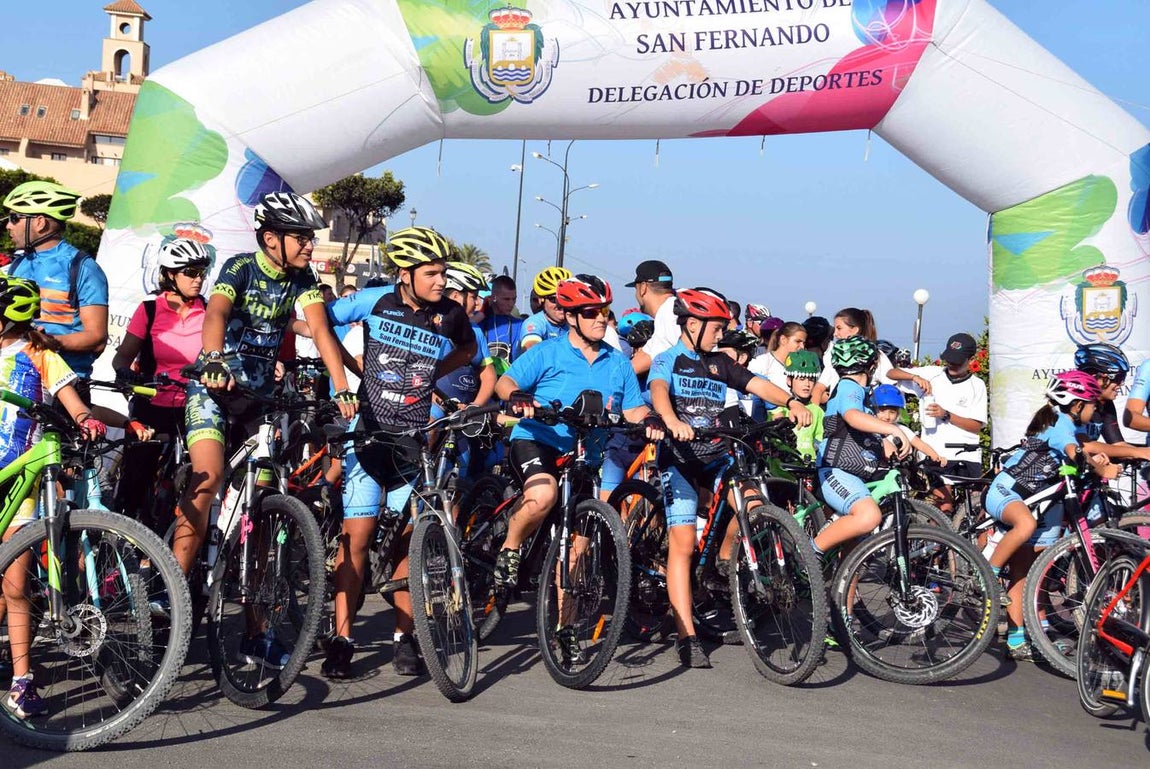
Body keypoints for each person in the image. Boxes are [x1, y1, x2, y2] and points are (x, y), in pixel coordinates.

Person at [179, 192, 358, 669]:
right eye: (301, 237)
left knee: (261, 515)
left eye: (310, 237)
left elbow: (321, 333)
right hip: (215, 391)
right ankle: (170, 595)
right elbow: (215, 313)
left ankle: (257, 632)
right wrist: (214, 359)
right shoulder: (240, 267)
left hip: (261, 403)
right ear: (271, 238)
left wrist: (342, 389)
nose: (308, 246)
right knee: (209, 480)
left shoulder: (303, 278)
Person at [321, 226, 475, 680]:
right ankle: (343, 639)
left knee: (410, 543)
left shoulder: (449, 314)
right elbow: (319, 320)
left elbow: (467, 349)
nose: (441, 281)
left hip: (414, 443)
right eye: (432, 273)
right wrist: (350, 370)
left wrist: (435, 375)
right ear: (404, 274)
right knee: (357, 543)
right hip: (368, 436)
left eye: (444, 272)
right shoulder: (374, 300)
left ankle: (404, 638)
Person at [494, 274, 661, 664]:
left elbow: (633, 407)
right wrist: (518, 396)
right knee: (543, 494)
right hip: (538, 440)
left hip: (585, 456)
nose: (601, 318)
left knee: (577, 553)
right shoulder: (548, 352)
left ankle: (564, 630)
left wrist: (649, 420)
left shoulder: (618, 361)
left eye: (605, 311)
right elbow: (506, 382)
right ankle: (510, 548)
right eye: (591, 312)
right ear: (571, 316)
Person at [649, 288, 810, 669]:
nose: (721, 334)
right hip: (681, 459)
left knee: (752, 506)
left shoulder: (721, 363)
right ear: (692, 324)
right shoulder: (668, 360)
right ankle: (686, 634)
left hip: (718, 455)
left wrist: (791, 401)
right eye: (716, 327)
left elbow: (755, 384)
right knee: (684, 544)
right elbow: (658, 390)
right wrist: (671, 421)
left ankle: (727, 564)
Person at [0, 274, 109, 719]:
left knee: (16, 584)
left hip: (20, 480)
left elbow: (70, 396)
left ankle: (23, 681)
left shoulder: (37, 352)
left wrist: (85, 418)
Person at [982, 371, 1103, 660]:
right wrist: (1095, 464)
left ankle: (1015, 638)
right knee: (1025, 525)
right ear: (1076, 405)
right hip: (1007, 491)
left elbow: (1086, 446)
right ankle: (986, 575)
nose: (1095, 408)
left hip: (1037, 500)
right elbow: (1072, 449)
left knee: (1024, 575)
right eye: (1092, 403)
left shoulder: (1066, 421)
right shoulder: (1059, 422)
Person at [111, 237, 211, 525]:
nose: (199, 280)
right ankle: (115, 539)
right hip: (151, 403)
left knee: (198, 479)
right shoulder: (150, 310)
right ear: (170, 274)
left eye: (202, 273)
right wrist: (124, 373)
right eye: (191, 273)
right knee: (136, 478)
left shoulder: (208, 312)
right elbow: (122, 357)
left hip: (192, 406)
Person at [811, 337, 912, 560]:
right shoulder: (850, 386)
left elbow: (859, 425)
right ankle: (810, 552)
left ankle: (846, 595)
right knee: (868, 516)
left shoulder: (861, 396)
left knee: (855, 551)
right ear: (872, 366)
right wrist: (894, 430)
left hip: (853, 473)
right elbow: (852, 416)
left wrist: (882, 441)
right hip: (836, 470)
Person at [3, 181, 108, 392]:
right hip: (16, 378)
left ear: (40, 222)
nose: (8, 226)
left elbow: (97, 338)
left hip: (64, 386)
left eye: (14, 218)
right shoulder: (17, 264)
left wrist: (50, 342)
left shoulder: (82, 267)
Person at [886, 332, 987, 514]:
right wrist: (914, 378)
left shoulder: (977, 385)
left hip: (967, 454)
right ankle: (937, 542)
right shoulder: (932, 374)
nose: (952, 365)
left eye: (958, 361)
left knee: (979, 509)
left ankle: (976, 542)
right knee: (943, 506)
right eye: (950, 359)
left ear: (971, 360)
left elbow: (976, 426)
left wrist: (946, 414)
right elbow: (890, 373)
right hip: (936, 454)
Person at [811, 307, 914, 405]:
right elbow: (819, 388)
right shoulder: (836, 355)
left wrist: (913, 377)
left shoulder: (875, 354)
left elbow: (890, 376)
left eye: (839, 328)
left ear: (855, 330)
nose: (835, 334)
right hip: (837, 417)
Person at [626, 259, 678, 376]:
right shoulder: (669, 310)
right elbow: (647, 356)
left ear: (643, 288)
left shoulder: (670, 314)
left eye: (636, 288)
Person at [870, 384, 944, 465]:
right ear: (873, 409)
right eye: (882, 411)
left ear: (898, 413)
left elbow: (921, 445)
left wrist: (937, 459)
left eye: (892, 412)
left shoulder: (901, 429)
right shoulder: (869, 430)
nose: (887, 417)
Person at [749, 321, 807, 414]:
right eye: (798, 341)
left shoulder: (802, 365)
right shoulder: (760, 363)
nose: (802, 347)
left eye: (804, 343)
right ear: (783, 339)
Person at [778, 349, 824, 462]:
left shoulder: (817, 411)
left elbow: (821, 442)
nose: (807, 384)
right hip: (782, 464)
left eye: (811, 379)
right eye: (802, 378)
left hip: (809, 465)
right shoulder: (779, 407)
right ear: (789, 380)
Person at [519, 266, 573, 352]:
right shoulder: (535, 322)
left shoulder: (574, 322)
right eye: (553, 299)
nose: (560, 304)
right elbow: (532, 349)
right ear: (541, 300)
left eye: (565, 298)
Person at [479, 274, 523, 374]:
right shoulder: (480, 321)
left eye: (514, 299)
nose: (511, 304)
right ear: (494, 297)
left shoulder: (520, 324)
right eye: (506, 299)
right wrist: (481, 313)